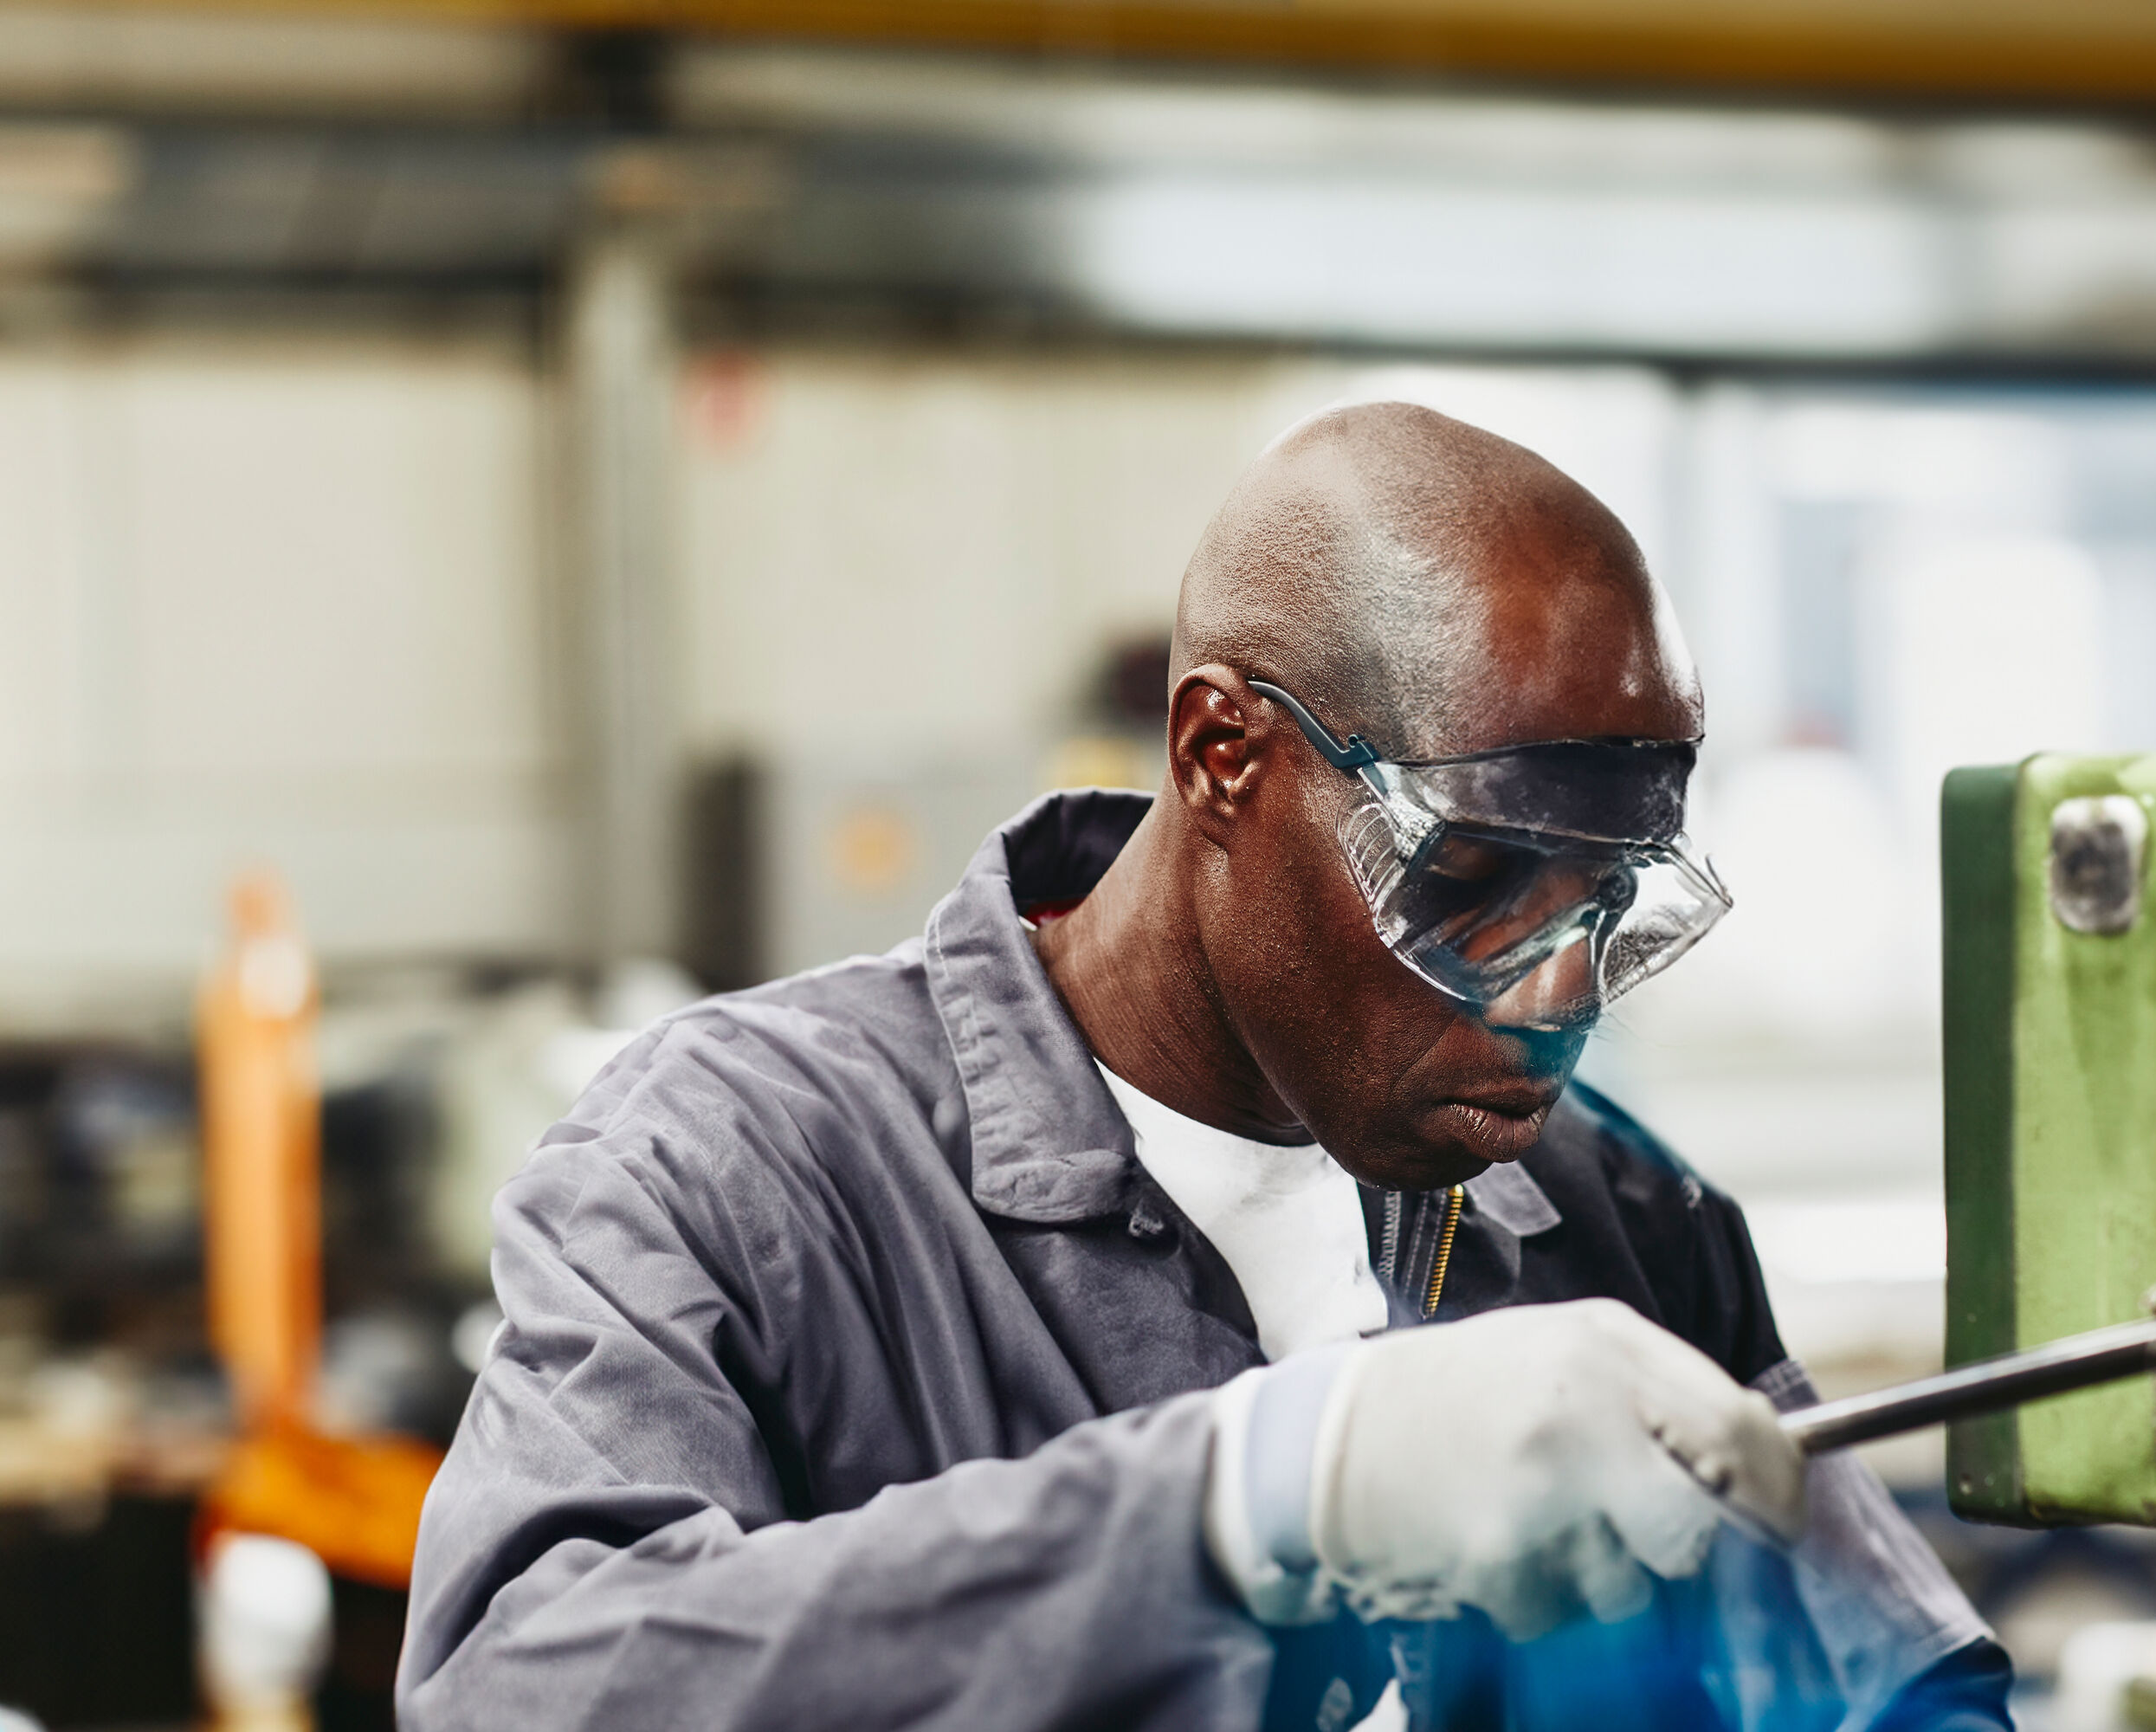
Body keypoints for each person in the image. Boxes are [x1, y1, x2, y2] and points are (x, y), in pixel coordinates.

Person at [397, 404, 2013, 1730]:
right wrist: (1249, 1501)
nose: (1554, 1002)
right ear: (1221, 755)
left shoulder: (1619, 1219)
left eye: (1608, 907)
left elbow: (1900, 1689)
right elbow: (523, 1691)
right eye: (1470, 886)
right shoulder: (730, 1167)